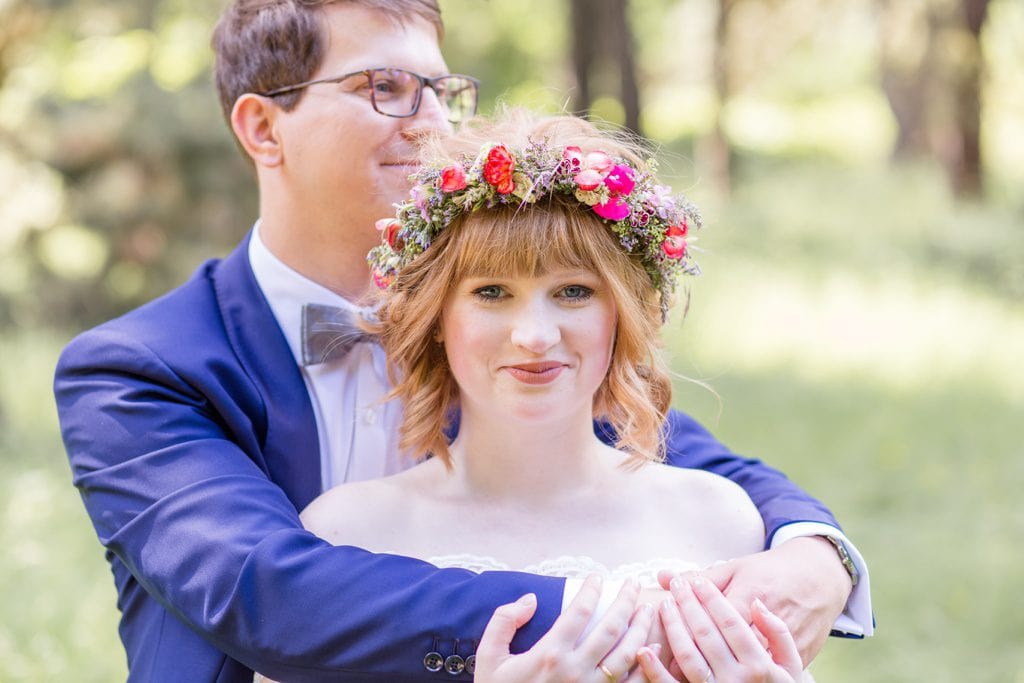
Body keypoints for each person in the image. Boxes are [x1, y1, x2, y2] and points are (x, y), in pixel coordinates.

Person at [52, 0, 871, 681]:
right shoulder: (137, 372)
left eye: (444, 92)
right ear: (264, 128)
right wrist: (647, 613)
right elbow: (267, 591)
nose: (434, 123)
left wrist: (815, 556)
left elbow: (656, 441)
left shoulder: (497, 339)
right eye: (387, 87)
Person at [281, 110, 811, 683]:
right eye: (491, 292)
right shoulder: (346, 536)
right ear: (437, 317)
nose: (534, 335)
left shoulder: (721, 523)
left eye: (574, 292)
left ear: (621, 313)